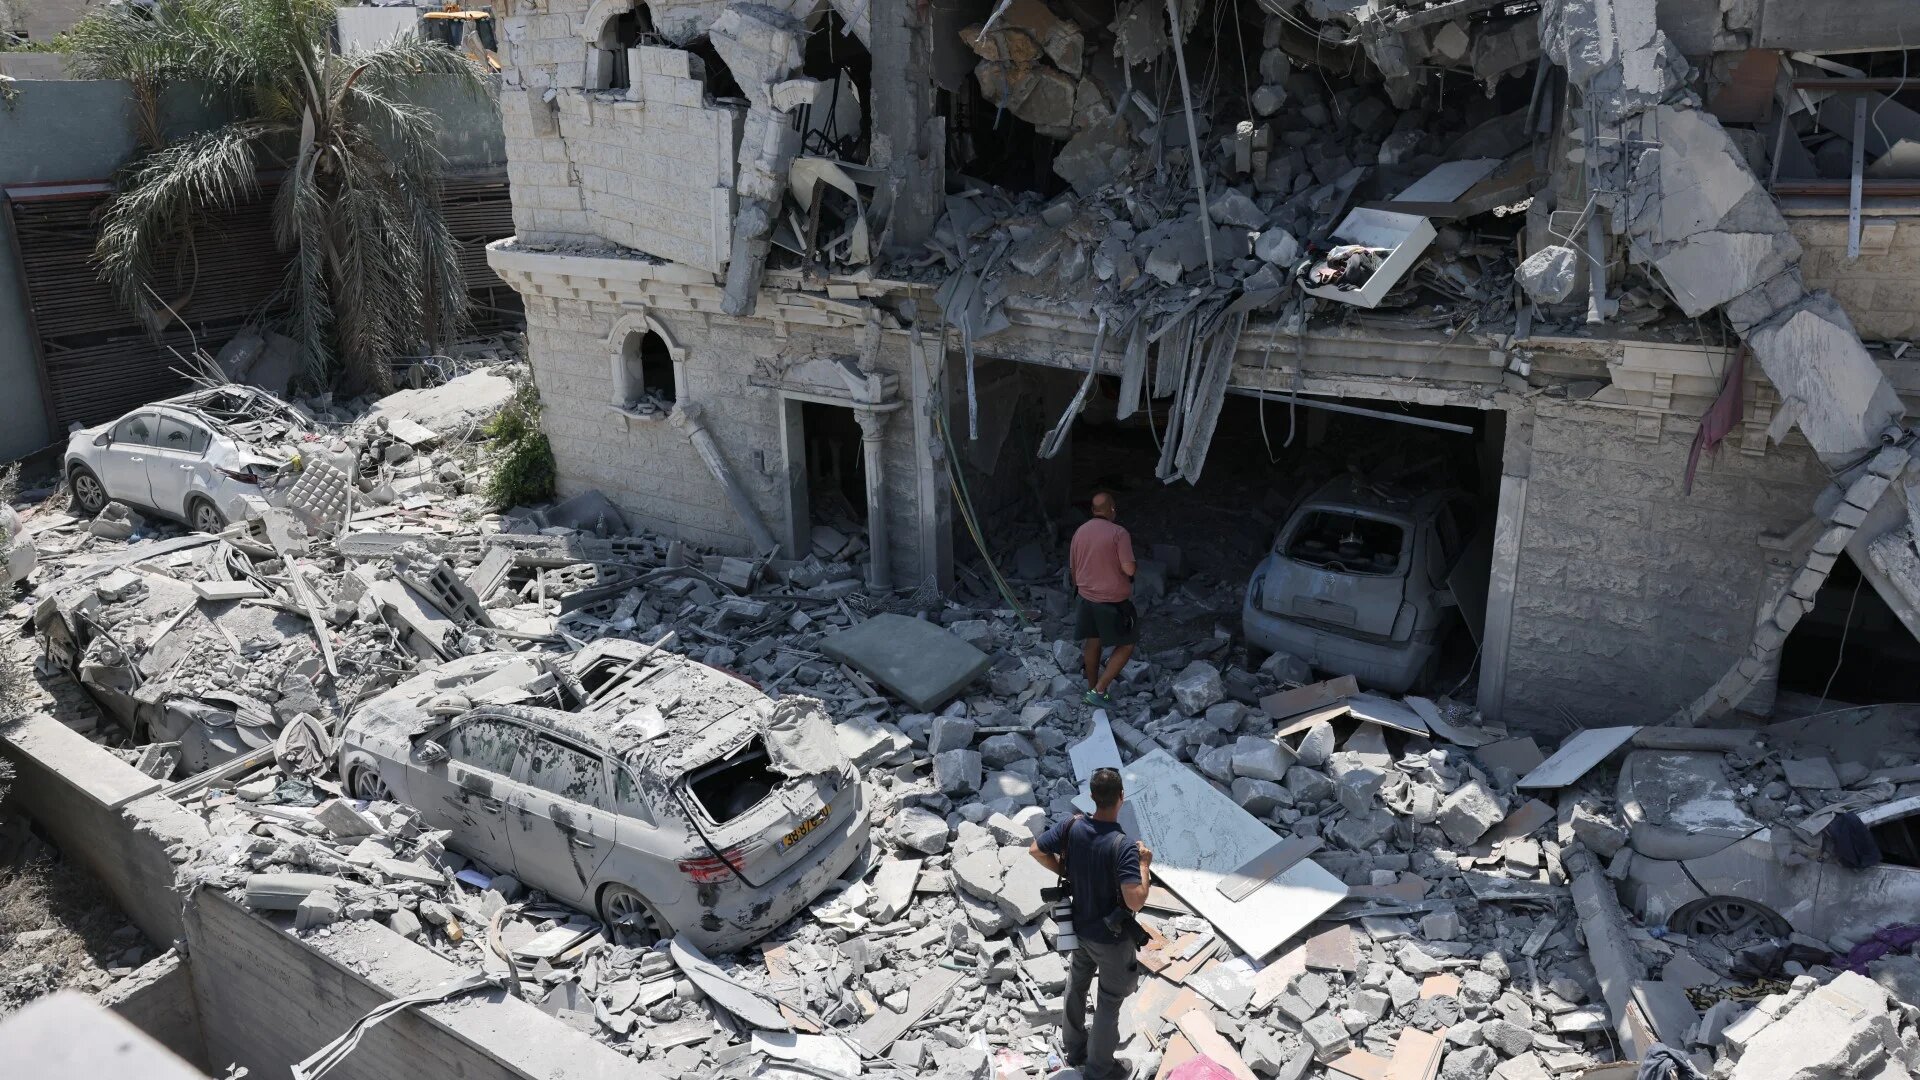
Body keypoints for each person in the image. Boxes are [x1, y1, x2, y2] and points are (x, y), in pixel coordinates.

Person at [1030, 767, 1152, 1080]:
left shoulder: (1072, 826)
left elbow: (1036, 850)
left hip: (1079, 927)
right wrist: (1144, 865)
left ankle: (1074, 1049)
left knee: (1077, 984)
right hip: (1111, 940)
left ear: (1092, 797)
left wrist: (1067, 871)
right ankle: (1099, 1070)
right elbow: (1135, 899)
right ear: (1121, 798)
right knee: (1109, 1000)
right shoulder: (1123, 846)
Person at [1070, 492, 1137, 708]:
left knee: (1094, 639)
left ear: (1093, 510)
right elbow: (1129, 568)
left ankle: (1092, 687)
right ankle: (1099, 691)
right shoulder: (1119, 533)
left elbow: (1073, 567)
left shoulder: (1080, 532)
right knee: (1127, 644)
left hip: (1086, 596)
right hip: (1111, 601)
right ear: (1112, 509)